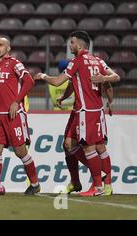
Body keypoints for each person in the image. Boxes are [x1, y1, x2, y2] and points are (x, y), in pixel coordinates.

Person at [35, 31, 120, 196]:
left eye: (72, 42)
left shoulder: (77, 62)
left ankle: (98, 185)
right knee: (74, 145)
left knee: (89, 148)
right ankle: (103, 183)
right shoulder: (98, 61)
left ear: (80, 45)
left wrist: (43, 76)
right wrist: (109, 101)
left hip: (85, 112)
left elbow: (58, 81)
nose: (70, 45)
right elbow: (113, 78)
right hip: (94, 110)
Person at [0, 36, 40, 195]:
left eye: (1, 45)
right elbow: (2, 90)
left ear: (8, 48)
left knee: (20, 151)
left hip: (14, 114)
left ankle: (35, 183)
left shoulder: (14, 63)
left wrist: (17, 102)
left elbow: (29, 81)